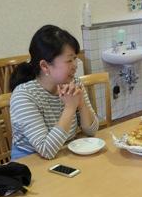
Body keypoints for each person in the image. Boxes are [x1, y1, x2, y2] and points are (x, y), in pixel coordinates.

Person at [10, 25, 99, 160]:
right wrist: (70, 108)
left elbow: (92, 131)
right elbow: (46, 150)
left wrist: (81, 105)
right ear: (45, 66)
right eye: (69, 60)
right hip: (31, 163)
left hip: (65, 153)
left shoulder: (74, 83)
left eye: (75, 58)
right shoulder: (24, 96)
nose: (75, 65)